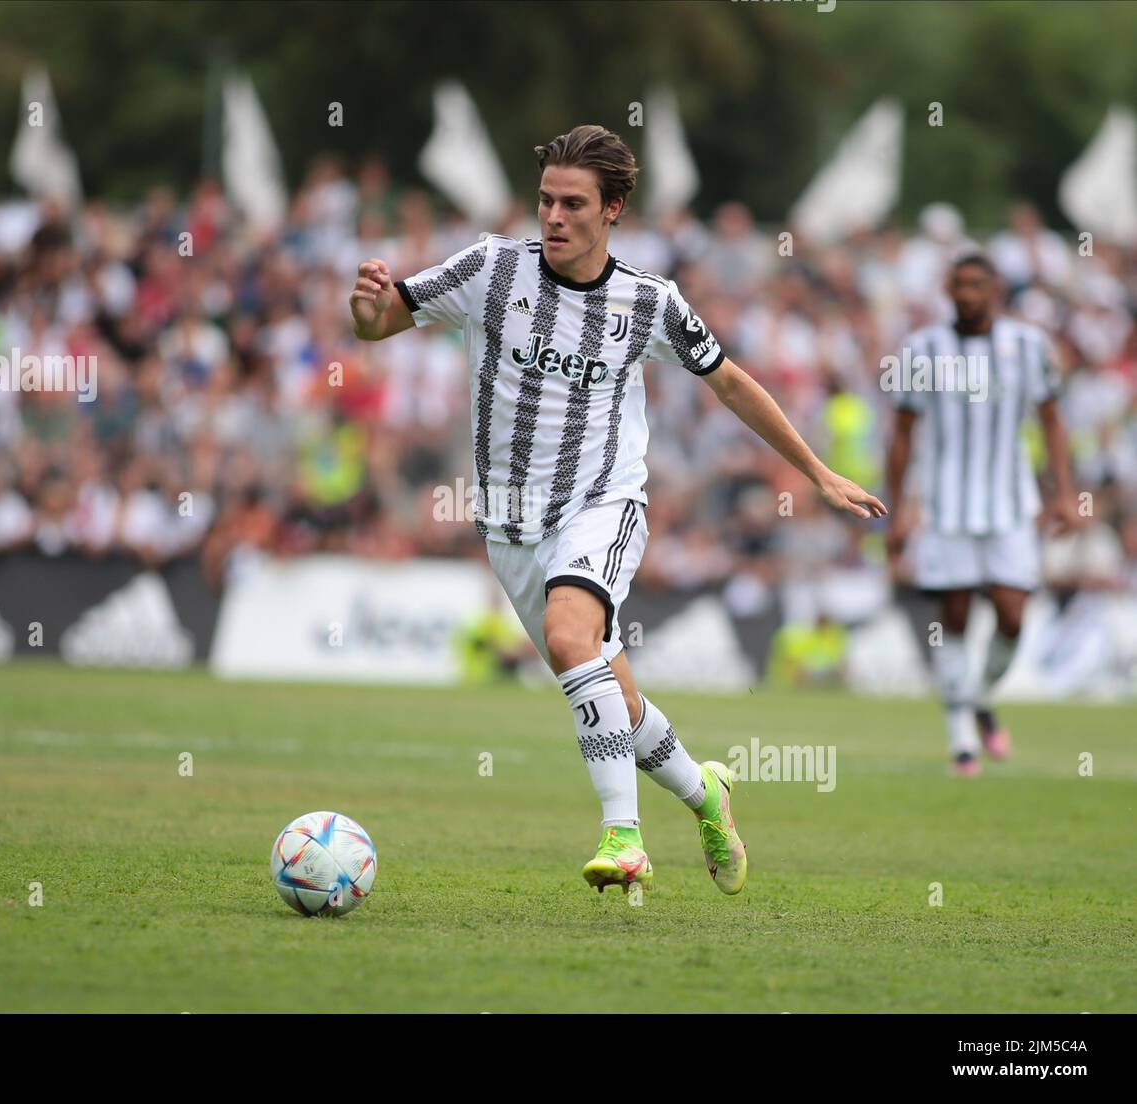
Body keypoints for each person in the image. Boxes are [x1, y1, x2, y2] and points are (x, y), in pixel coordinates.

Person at [349, 124, 885, 896]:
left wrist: (818, 471)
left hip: (603, 502)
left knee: (574, 641)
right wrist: (366, 308)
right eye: (546, 201)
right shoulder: (491, 269)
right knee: (613, 698)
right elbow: (382, 321)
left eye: (574, 204)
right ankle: (707, 794)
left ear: (613, 212)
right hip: (509, 524)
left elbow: (729, 380)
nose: (555, 217)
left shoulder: (646, 301)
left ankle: (623, 837)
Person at [885, 254, 1078, 776]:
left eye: (978, 284)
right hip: (946, 506)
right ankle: (961, 742)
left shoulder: (1029, 345)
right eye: (960, 284)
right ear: (948, 288)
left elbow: (1053, 421)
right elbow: (902, 433)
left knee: (1014, 615)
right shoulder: (922, 348)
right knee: (956, 619)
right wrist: (897, 509)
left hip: (1011, 503)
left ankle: (979, 697)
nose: (968, 293)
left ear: (995, 289)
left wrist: (1065, 493)